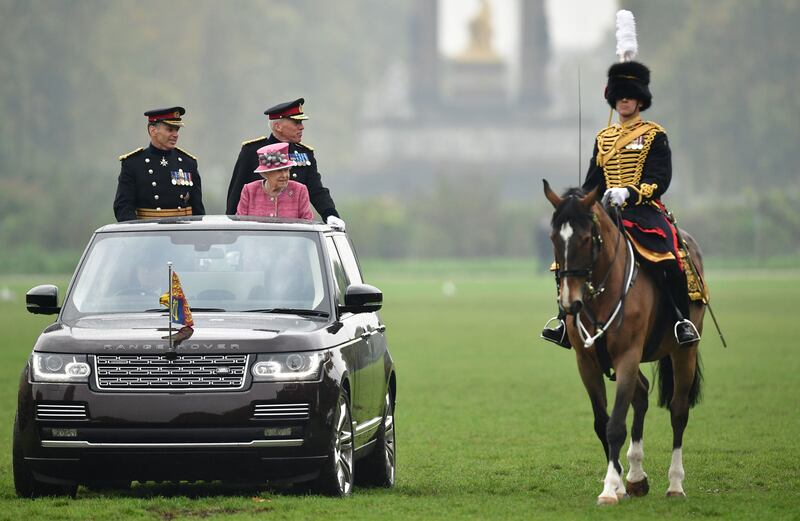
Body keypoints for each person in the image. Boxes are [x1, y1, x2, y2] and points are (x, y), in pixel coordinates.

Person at [541, 61, 700, 348]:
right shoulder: (603, 139)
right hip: (606, 212)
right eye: (619, 95)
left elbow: (660, 179)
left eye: (629, 95)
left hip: (644, 210)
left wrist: (629, 192)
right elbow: (592, 183)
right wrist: (577, 203)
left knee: (668, 257)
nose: (624, 100)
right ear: (613, 99)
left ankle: (681, 321)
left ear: (640, 99)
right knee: (567, 256)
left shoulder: (654, 135)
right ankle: (563, 321)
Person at [226, 98, 345, 229]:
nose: (302, 127)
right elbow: (236, 193)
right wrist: (231, 234)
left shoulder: (304, 154)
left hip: (292, 234)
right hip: (257, 232)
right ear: (278, 126)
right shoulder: (252, 151)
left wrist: (330, 214)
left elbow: (316, 191)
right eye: (296, 122)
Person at [114, 107, 205, 221]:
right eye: (170, 129)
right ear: (153, 131)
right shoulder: (133, 163)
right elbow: (123, 208)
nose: (175, 134)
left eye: (177, 130)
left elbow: (198, 210)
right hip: (147, 234)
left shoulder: (188, 163)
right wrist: (137, 235)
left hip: (182, 234)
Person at [236, 142, 313, 219]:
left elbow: (307, 225)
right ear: (266, 173)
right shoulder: (249, 191)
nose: (284, 175)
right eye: (279, 171)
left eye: (286, 170)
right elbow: (240, 225)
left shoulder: (299, 191)